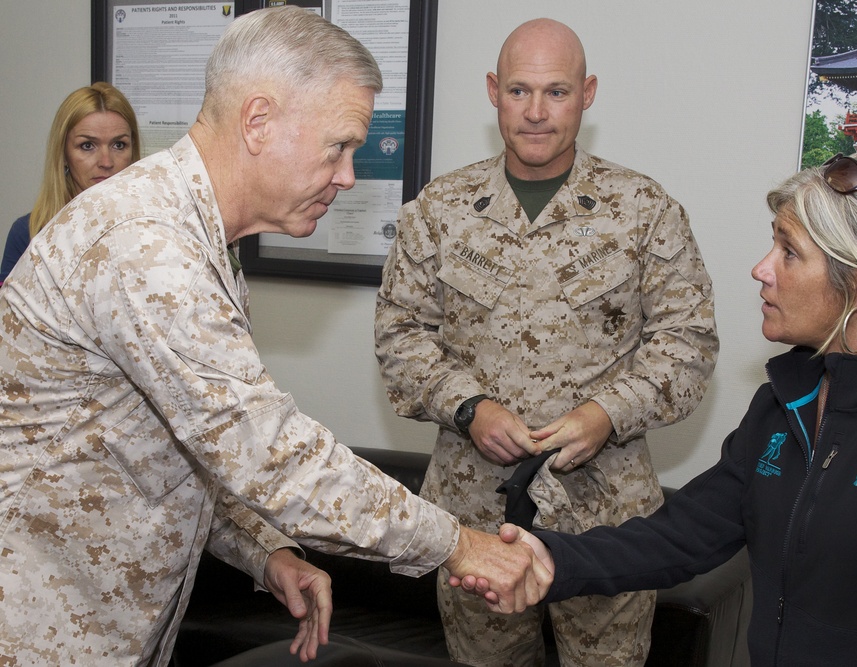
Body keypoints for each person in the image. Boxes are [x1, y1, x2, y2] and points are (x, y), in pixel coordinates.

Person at [0, 7, 550, 666]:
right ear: (258, 122)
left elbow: (181, 448)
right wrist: (459, 542)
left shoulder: (199, 239)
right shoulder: (146, 246)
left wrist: (265, 551)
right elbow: (267, 451)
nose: (348, 175)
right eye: (338, 146)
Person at [464, 148, 857, 665]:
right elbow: (685, 534)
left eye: (789, 253)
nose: (761, 269)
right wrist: (551, 559)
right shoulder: (786, 399)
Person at [375, 18, 717, 667]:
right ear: (492, 91)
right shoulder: (438, 210)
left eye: (556, 92)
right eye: (519, 91)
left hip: (606, 515)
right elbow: (399, 336)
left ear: (587, 93)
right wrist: (468, 408)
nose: (536, 112)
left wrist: (606, 414)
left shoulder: (644, 210)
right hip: (475, 515)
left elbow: (688, 343)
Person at [1, 82, 139, 285]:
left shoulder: (154, 229)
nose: (106, 162)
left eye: (119, 145)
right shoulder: (30, 233)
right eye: (87, 146)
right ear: (64, 153)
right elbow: (9, 315)